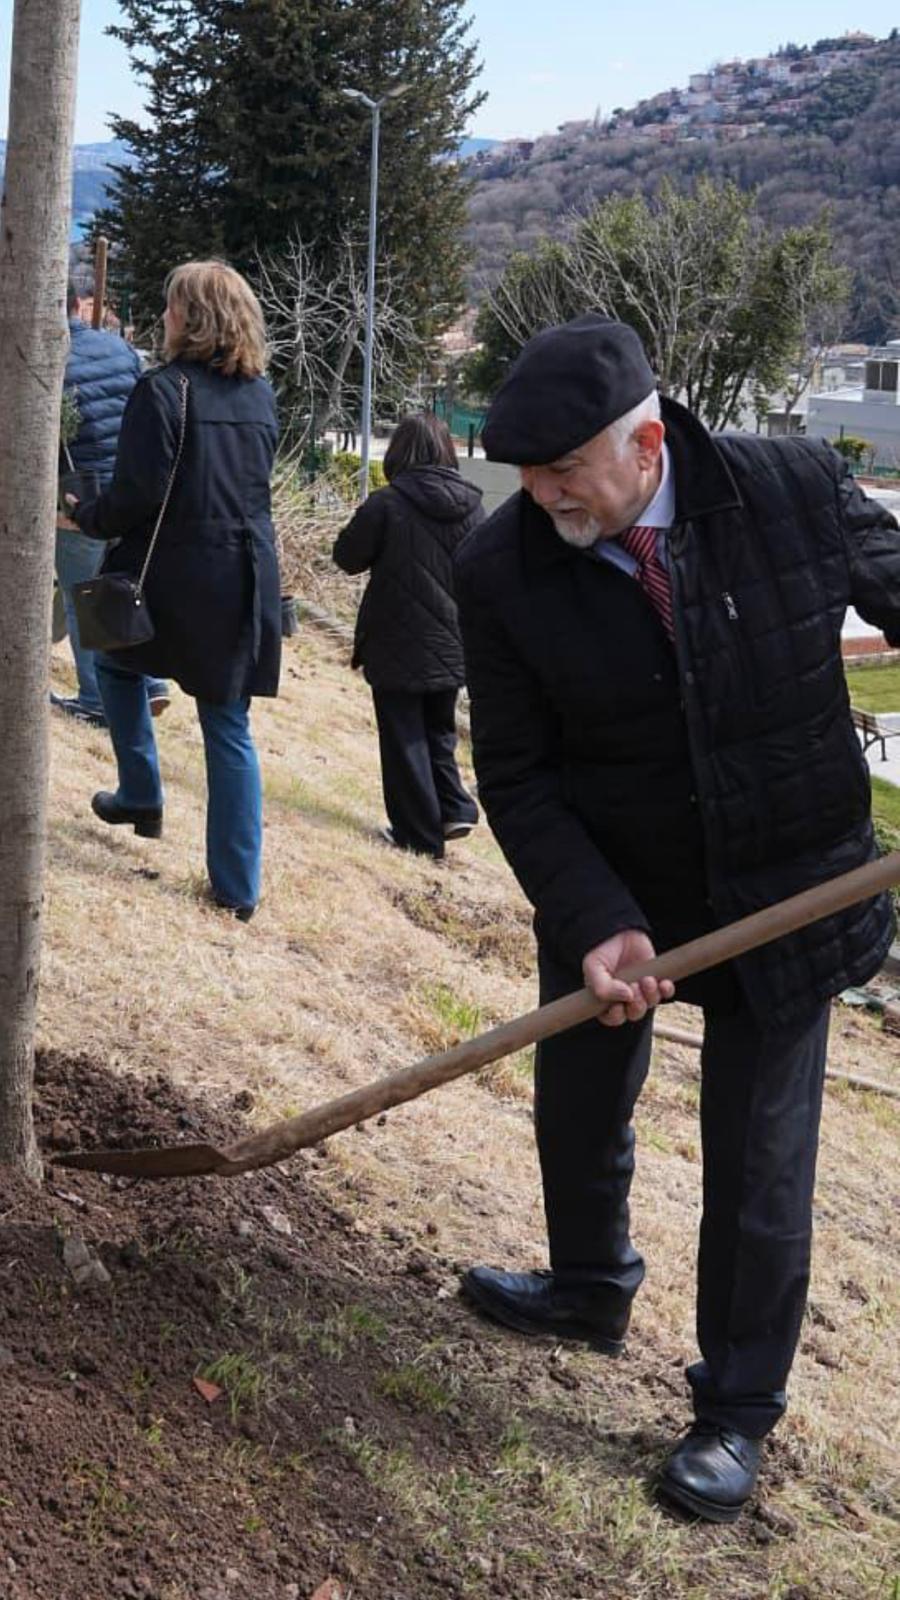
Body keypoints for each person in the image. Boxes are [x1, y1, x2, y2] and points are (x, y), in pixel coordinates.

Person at [453, 314, 900, 1523]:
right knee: (579, 1102)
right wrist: (596, 916)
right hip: (618, 879)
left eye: (565, 476)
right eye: (529, 478)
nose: (545, 499)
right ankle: (589, 1286)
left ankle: (735, 1411)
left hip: (789, 883)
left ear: (647, 443)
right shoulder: (501, 569)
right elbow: (518, 770)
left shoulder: (789, 490)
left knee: (760, 1166)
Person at [70, 261, 281, 920]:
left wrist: (85, 513)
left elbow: (137, 495)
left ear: (190, 318)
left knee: (114, 661)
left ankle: (140, 792)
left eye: (170, 308)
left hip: (174, 575)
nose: (163, 317)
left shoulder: (162, 390)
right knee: (227, 723)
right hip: (246, 573)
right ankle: (237, 888)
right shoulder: (260, 393)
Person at [332, 413, 483, 859]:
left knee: (404, 737)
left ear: (398, 453)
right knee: (438, 730)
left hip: (396, 639)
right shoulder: (474, 504)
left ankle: (418, 836)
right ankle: (455, 807)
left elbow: (347, 557)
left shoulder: (387, 503)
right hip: (454, 639)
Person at [54, 284, 169, 727]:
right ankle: (151, 680)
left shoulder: (39, 352)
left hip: (77, 489)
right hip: (126, 485)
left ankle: (94, 697)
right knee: (121, 584)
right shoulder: (120, 349)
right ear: (77, 308)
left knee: (81, 592)